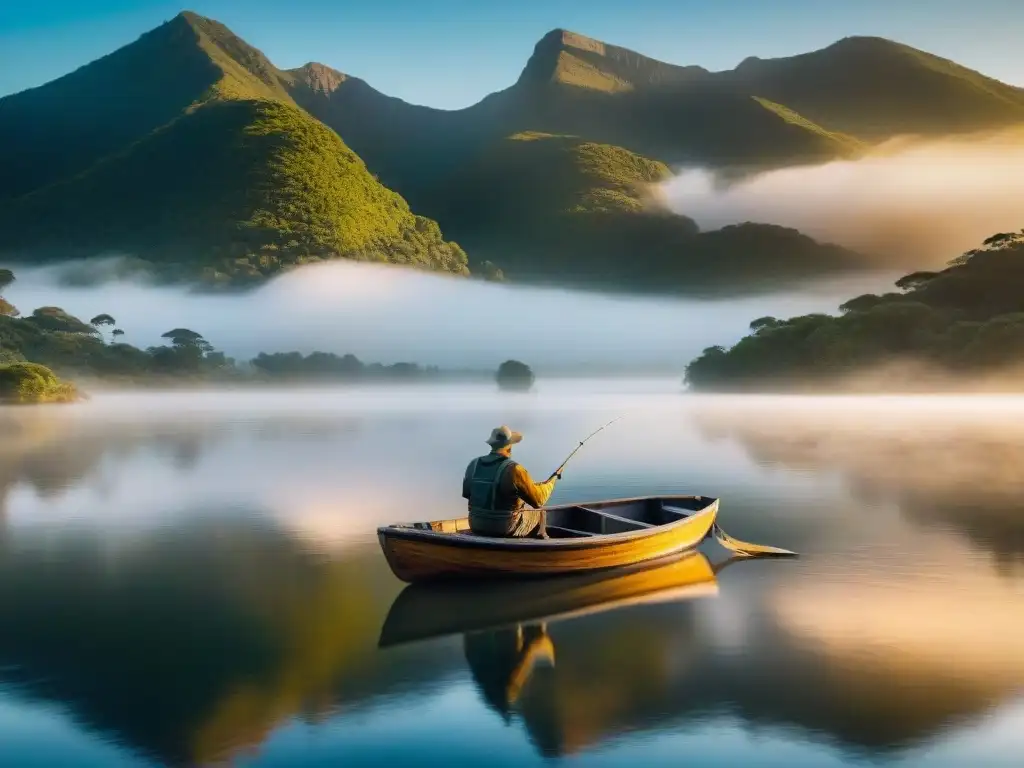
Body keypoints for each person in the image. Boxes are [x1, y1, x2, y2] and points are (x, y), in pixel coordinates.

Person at [463, 425, 560, 538]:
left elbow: (467, 494)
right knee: (541, 513)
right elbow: (539, 500)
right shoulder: (514, 469)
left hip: (475, 524)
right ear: (509, 447)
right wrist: (552, 482)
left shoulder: (473, 465)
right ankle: (541, 547)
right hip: (503, 528)